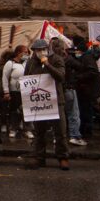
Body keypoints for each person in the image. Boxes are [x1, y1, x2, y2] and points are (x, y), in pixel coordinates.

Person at [24, 38, 70, 171]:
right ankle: (39, 157)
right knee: (39, 132)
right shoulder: (31, 63)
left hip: (56, 101)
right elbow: (27, 79)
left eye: (43, 49)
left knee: (60, 131)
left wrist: (48, 64)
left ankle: (63, 157)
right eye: (38, 50)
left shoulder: (57, 59)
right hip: (38, 102)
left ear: (47, 49)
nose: (41, 52)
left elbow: (61, 76)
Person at [73, 36, 100, 139]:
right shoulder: (86, 57)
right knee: (87, 109)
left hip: (88, 90)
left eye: (77, 51)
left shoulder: (87, 58)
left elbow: (92, 72)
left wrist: (79, 77)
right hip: (86, 90)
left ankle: (87, 130)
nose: (75, 53)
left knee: (87, 110)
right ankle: (87, 128)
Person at [1, 45, 33, 139]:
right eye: (25, 52)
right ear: (18, 53)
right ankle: (13, 129)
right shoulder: (10, 63)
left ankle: (27, 129)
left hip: (26, 91)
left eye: (27, 52)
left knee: (27, 111)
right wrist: (6, 91)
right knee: (14, 111)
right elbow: (5, 78)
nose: (26, 54)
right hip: (15, 91)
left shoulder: (27, 63)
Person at [64, 46, 87, 146]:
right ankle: (74, 136)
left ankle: (59, 137)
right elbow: (80, 66)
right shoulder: (68, 59)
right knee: (73, 114)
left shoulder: (52, 59)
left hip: (60, 90)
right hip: (69, 88)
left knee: (61, 114)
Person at [0, 48, 15, 134]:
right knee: (5, 108)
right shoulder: (2, 65)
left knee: (9, 108)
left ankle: (8, 124)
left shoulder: (13, 64)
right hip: (4, 89)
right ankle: (5, 124)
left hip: (12, 88)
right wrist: (1, 86)